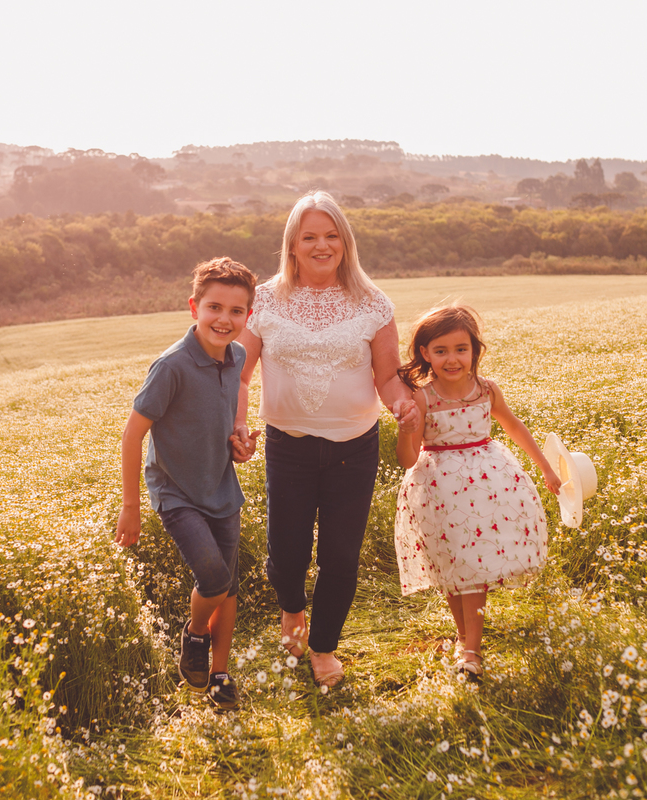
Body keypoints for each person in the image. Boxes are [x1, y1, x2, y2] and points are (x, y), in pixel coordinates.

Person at [232, 191, 420, 688]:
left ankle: (323, 647)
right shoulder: (265, 299)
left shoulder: (373, 303)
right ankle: (292, 608)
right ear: (292, 244)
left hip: (353, 450)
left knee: (340, 555)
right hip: (287, 446)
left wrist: (401, 403)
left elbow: (387, 377)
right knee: (287, 553)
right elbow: (241, 373)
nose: (322, 245)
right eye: (310, 236)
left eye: (331, 235)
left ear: (346, 242)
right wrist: (237, 424)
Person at [116, 257, 261, 710]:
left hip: (222, 487)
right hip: (176, 492)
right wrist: (132, 506)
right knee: (214, 577)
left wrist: (239, 435)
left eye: (236, 312)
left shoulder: (236, 354)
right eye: (215, 307)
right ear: (194, 306)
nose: (225, 319)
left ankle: (219, 674)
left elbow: (238, 389)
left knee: (229, 587)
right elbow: (132, 433)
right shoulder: (172, 365)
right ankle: (194, 632)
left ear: (247, 317)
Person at [393, 304, 560, 683]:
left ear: (474, 351)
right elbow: (406, 459)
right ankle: (464, 638)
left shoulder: (486, 390)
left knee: (475, 570)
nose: (452, 359)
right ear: (425, 354)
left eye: (460, 349)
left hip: (487, 487)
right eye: (441, 351)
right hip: (439, 490)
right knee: (453, 568)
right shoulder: (423, 397)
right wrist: (406, 429)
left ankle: (471, 652)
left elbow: (515, 428)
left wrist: (547, 469)